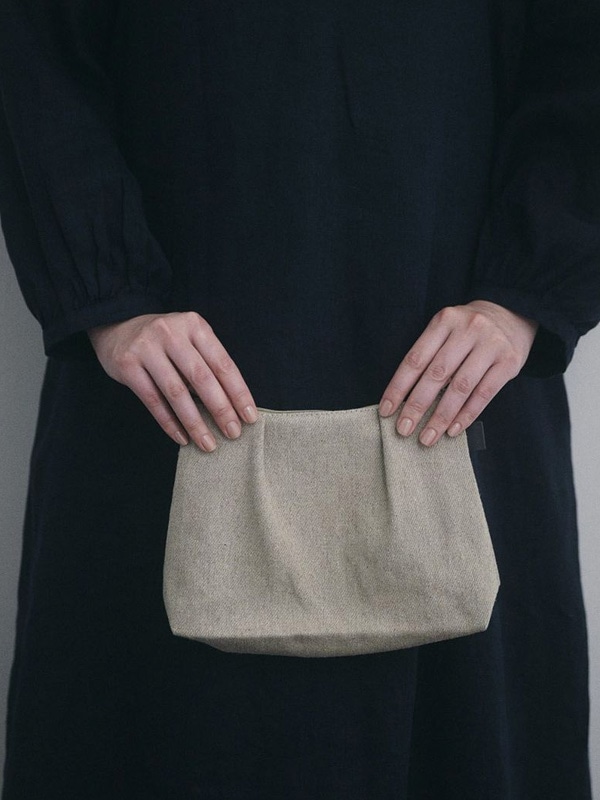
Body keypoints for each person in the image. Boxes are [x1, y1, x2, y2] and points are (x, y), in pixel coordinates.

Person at [0, 1, 598, 797]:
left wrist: (526, 292)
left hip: (460, 376)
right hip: (162, 382)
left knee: (458, 742)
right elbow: (31, 49)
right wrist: (108, 296)